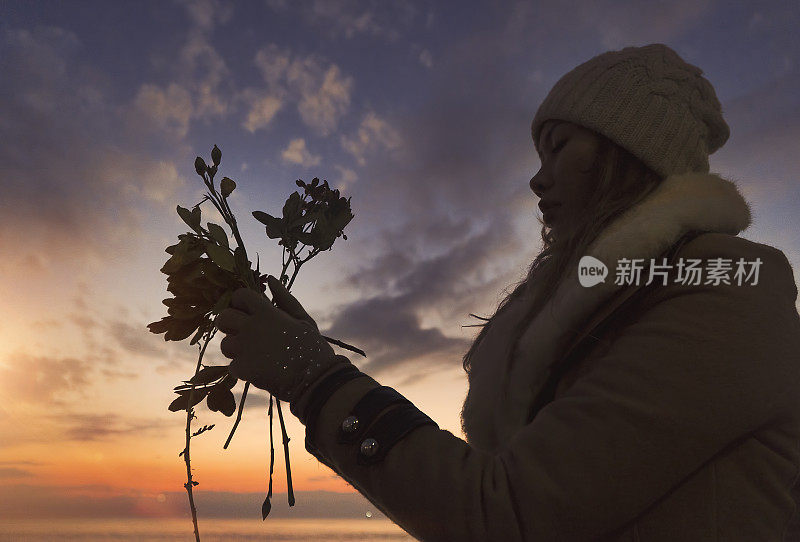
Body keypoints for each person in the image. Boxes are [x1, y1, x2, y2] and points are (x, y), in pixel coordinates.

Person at [215, 43, 800, 541]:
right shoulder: (612, 299)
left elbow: (508, 514)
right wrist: (311, 364)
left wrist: (313, 377)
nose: (537, 178)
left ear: (628, 152)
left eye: (562, 146)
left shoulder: (729, 288)